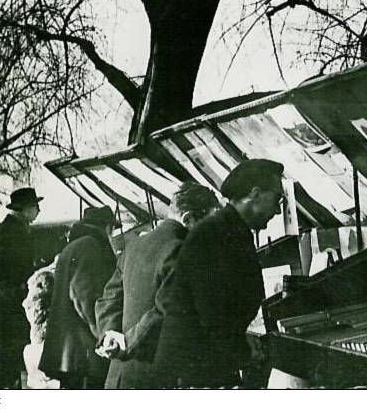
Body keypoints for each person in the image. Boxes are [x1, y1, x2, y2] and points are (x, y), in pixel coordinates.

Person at [154, 159, 286, 388]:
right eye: (277, 199)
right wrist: (243, 349)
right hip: (193, 372)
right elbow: (212, 313)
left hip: (203, 363)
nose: (277, 209)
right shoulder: (214, 234)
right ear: (255, 194)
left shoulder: (230, 230)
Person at [94, 183, 221, 389]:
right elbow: (167, 309)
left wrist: (110, 336)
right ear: (188, 219)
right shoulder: (183, 250)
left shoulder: (134, 246)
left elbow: (108, 299)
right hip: (158, 377)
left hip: (121, 378)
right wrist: (127, 341)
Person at [38, 206, 119, 389]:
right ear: (107, 227)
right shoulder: (90, 245)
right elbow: (83, 294)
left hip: (69, 347)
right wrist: (101, 332)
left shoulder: (73, 246)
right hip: (82, 349)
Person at [0, 187, 42, 389]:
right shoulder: (13, 233)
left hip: (3, 311)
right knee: (2, 373)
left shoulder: (12, 230)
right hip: (5, 314)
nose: (39, 211)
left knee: (4, 370)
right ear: (25, 209)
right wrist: (25, 288)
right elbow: (5, 273)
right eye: (36, 206)